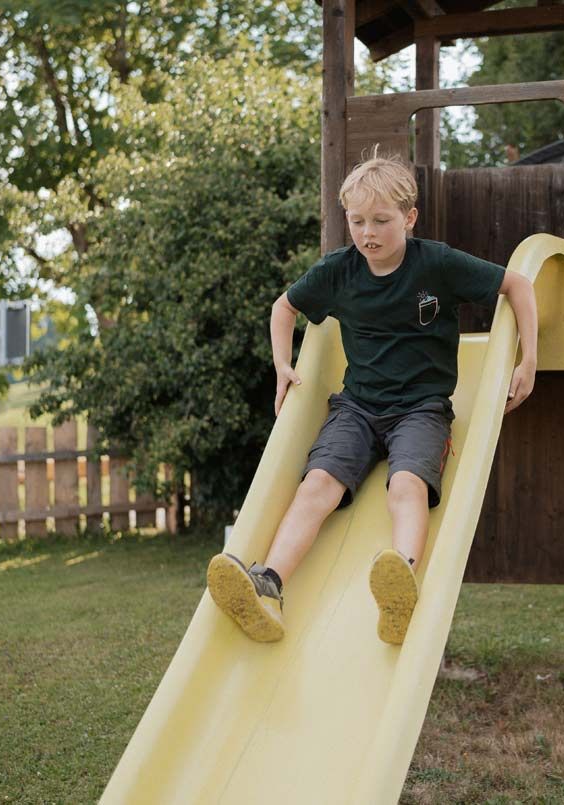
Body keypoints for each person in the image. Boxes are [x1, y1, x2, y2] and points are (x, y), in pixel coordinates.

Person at [206, 146, 537, 645]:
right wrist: (282, 366)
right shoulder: (340, 270)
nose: (368, 233)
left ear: (409, 218)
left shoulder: (437, 265)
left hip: (422, 410)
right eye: (357, 221)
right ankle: (269, 585)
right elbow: (284, 308)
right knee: (317, 483)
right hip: (356, 408)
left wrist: (527, 360)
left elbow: (518, 285)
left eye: (381, 221)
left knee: (406, 487)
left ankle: (399, 586)